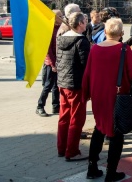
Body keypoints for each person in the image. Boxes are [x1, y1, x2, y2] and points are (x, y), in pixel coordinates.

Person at [82, 18, 132, 181]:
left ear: (105, 32)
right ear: (121, 33)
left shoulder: (94, 49)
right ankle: (111, 172)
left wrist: (85, 95)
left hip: (98, 95)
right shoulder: (124, 49)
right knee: (116, 132)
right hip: (118, 96)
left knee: (99, 128)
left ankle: (92, 168)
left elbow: (87, 74)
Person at [56, 12, 91, 161]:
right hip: (76, 84)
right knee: (76, 118)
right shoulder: (81, 41)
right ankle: (72, 151)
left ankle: (61, 148)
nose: (86, 23)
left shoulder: (60, 38)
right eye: (85, 21)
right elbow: (86, 65)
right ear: (80, 23)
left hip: (63, 83)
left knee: (64, 116)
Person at [36, 10, 64, 117]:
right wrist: (53, 64)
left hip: (59, 62)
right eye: (60, 16)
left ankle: (56, 106)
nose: (62, 18)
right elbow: (48, 50)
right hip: (51, 63)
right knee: (48, 85)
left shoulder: (60, 28)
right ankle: (40, 106)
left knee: (57, 86)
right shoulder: (49, 30)